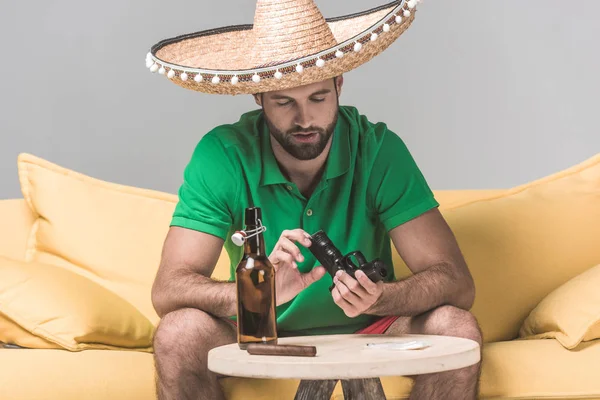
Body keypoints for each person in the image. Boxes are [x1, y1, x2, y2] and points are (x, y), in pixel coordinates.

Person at [146, 1, 482, 399]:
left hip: (372, 327)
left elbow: (456, 282)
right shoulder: (223, 154)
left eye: (318, 98)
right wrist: (260, 292)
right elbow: (168, 290)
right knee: (178, 332)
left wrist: (381, 296)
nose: (304, 119)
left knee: (458, 327)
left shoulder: (378, 150)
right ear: (258, 96)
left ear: (339, 84)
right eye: (284, 102)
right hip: (257, 329)